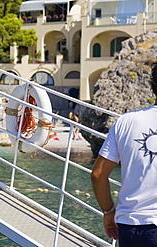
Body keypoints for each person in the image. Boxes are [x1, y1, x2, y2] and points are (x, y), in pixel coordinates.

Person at [91, 62, 157, 246]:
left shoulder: (126, 122)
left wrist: (108, 212)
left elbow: (97, 175)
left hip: (132, 226)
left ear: (152, 88)